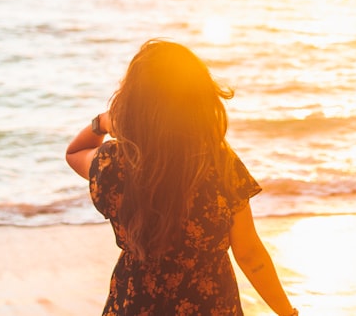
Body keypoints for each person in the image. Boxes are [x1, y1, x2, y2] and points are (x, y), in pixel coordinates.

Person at [66, 39, 298, 316]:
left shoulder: (113, 162)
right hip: (210, 306)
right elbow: (249, 254)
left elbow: (75, 152)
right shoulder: (220, 163)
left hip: (135, 304)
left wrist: (102, 122)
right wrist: (287, 313)